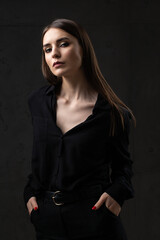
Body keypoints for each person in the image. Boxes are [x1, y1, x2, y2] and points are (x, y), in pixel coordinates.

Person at [23, 18, 136, 240]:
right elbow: (40, 161)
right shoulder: (37, 101)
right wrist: (30, 194)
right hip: (47, 221)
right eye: (47, 49)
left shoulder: (113, 113)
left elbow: (123, 169)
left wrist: (115, 196)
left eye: (63, 44)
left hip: (95, 220)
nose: (54, 53)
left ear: (83, 49)